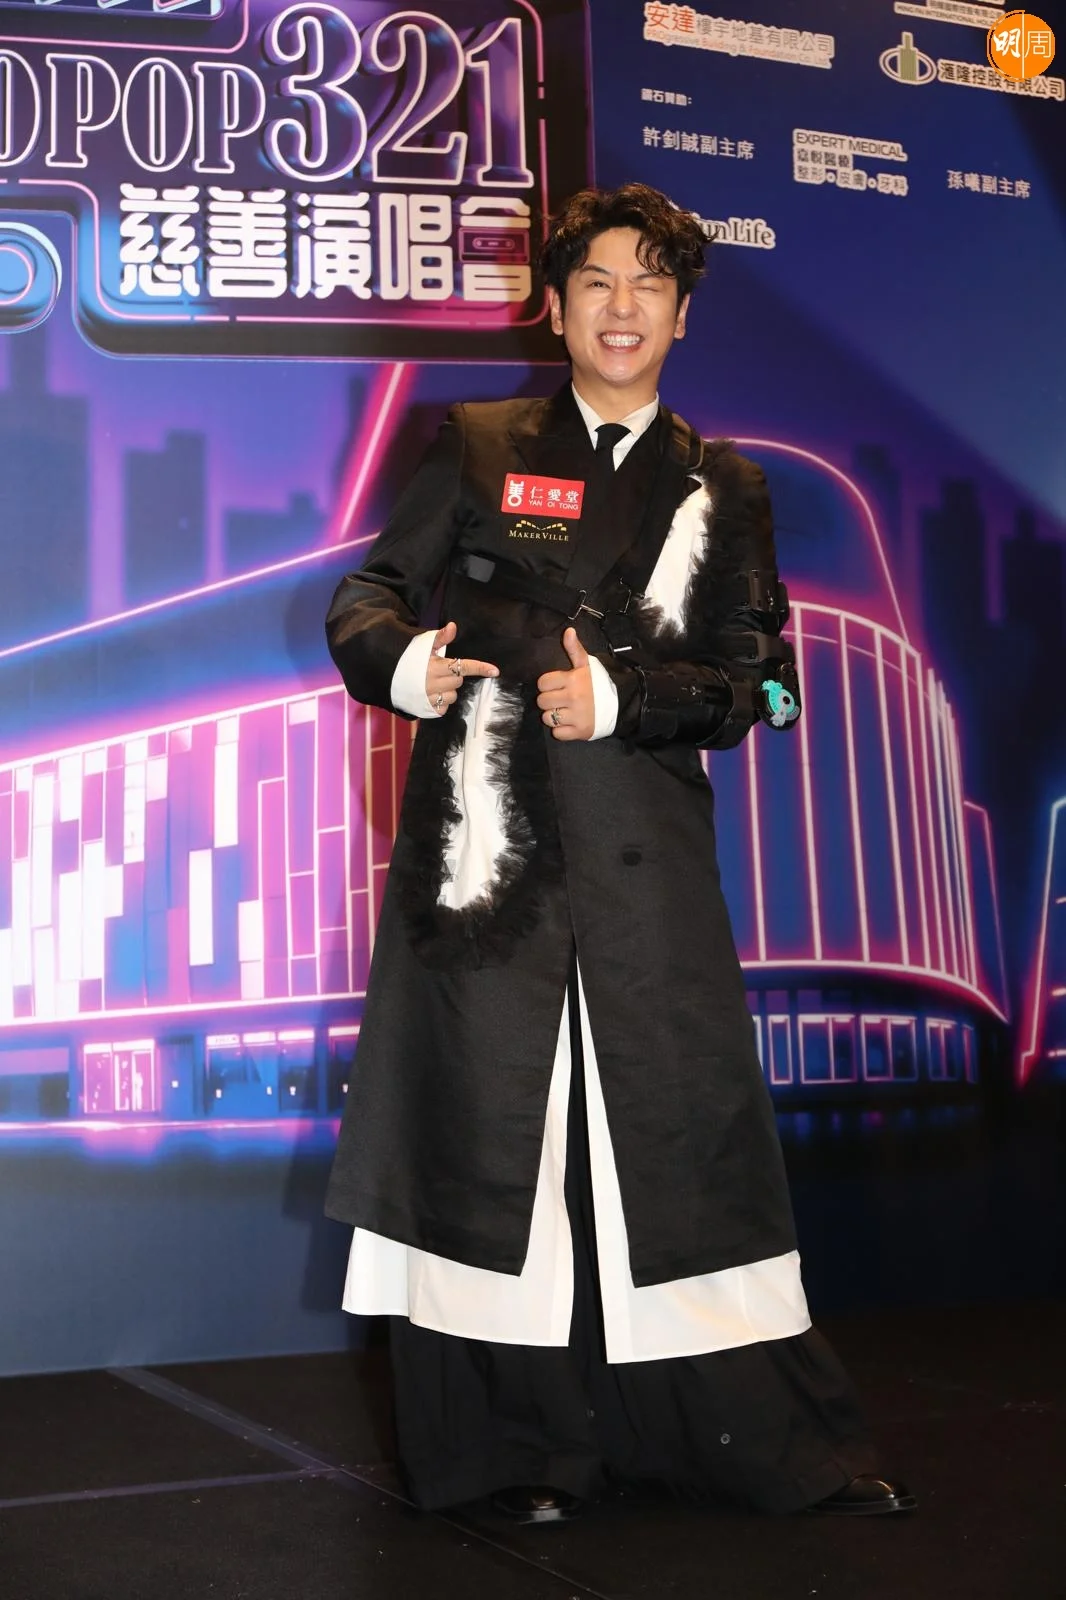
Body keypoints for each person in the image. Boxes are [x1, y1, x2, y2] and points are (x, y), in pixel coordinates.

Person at [323, 183, 914, 1523]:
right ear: (556, 306)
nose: (623, 306)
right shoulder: (476, 442)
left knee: (680, 1144)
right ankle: (503, 1457)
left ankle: (747, 1446)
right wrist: (405, 663)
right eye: (597, 281)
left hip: (648, 861)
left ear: (682, 315)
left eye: (651, 283)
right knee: (488, 1147)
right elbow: (367, 594)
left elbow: (766, 686)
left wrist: (629, 698)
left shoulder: (727, 485)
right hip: (487, 864)